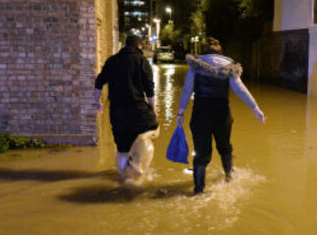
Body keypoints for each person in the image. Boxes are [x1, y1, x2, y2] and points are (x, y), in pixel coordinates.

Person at [177, 37, 265, 194]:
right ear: (221, 53)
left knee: (201, 153)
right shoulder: (229, 68)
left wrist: (181, 111)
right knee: (225, 148)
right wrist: (255, 108)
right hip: (222, 117)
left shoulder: (195, 67)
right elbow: (241, 90)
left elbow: (187, 90)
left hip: (200, 117)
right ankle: (230, 178)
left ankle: (198, 190)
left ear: (204, 52)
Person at [95, 35, 159, 179]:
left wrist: (97, 101)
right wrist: (153, 108)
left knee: (122, 148)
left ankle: (125, 178)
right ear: (139, 46)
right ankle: (137, 162)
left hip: (117, 113)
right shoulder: (142, 61)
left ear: (125, 45)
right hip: (138, 111)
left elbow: (99, 82)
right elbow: (149, 88)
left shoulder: (112, 61)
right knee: (153, 128)